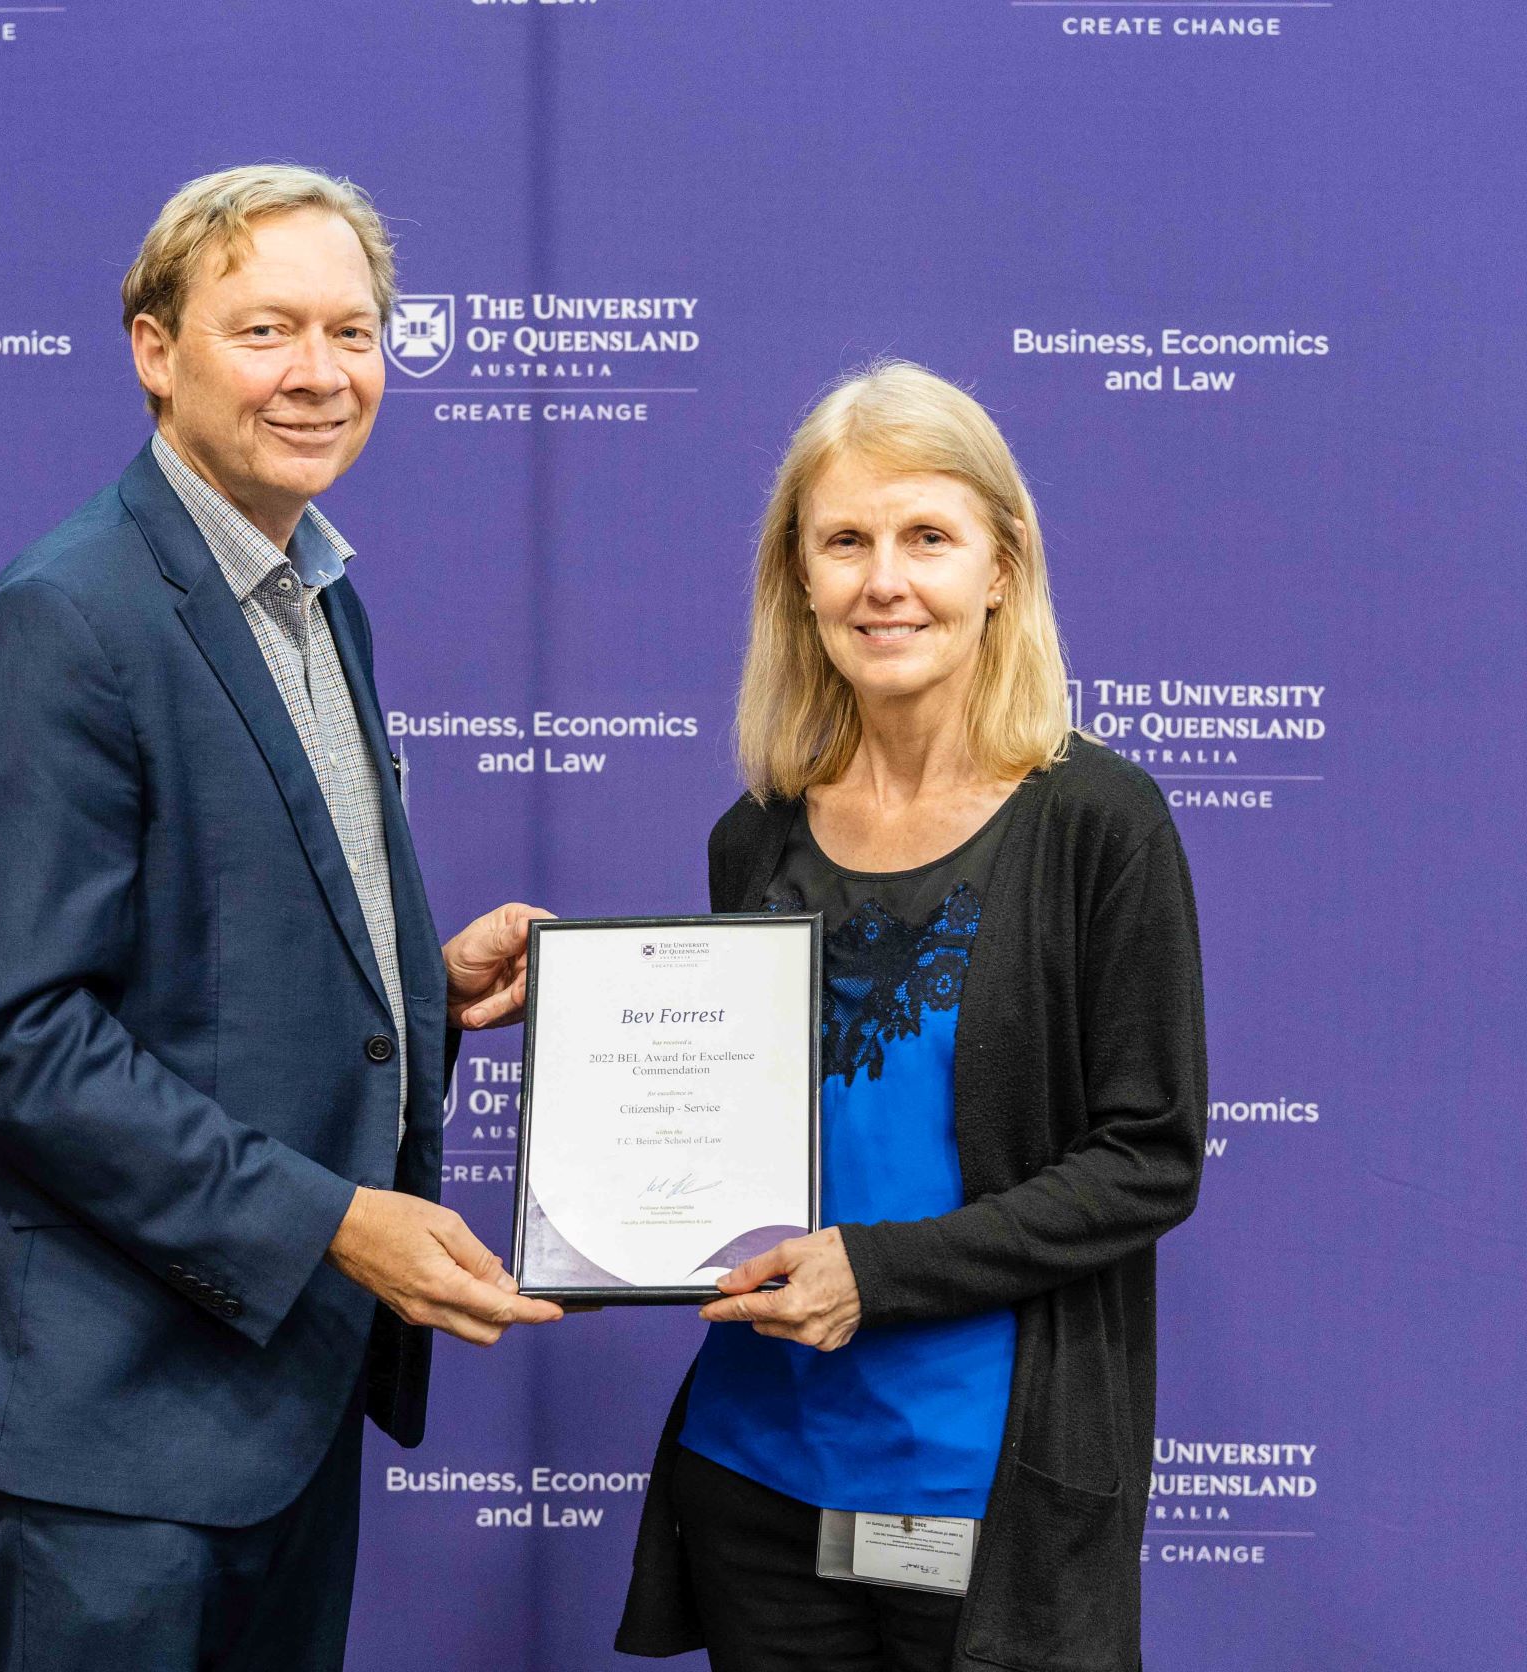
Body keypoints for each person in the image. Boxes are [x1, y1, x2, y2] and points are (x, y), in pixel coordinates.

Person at [0, 164, 563, 1672]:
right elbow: (12, 1036)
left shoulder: (314, 591)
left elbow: (215, 945)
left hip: (270, 1397)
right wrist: (333, 1222)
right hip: (106, 1431)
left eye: (354, 331)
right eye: (266, 331)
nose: (320, 374)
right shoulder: (68, 617)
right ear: (152, 348)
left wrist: (418, 991)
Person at [615, 361, 1207, 1672]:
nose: (886, 582)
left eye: (927, 537)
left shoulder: (1098, 824)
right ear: (800, 578)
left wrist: (876, 1274)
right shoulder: (754, 838)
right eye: (846, 541)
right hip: (757, 1469)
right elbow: (729, 1113)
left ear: (1002, 566)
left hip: (984, 1490)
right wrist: (603, 1008)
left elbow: (1148, 1158)